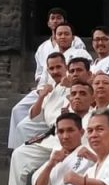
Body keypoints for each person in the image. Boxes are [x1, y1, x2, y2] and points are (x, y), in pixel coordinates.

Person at [0, 70, 93, 185]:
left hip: (78, 153)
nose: (77, 97)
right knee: (20, 155)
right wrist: (43, 95)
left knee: (49, 177)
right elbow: (37, 117)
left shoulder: (95, 117)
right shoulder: (59, 94)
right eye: (74, 94)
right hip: (54, 142)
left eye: (82, 94)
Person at [7, 8, 85, 149]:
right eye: (53, 18)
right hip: (47, 88)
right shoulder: (43, 48)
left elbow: (82, 67)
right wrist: (41, 90)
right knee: (18, 110)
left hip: (66, 88)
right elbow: (41, 73)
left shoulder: (77, 46)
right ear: (48, 23)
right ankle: (16, 147)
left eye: (59, 18)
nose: (56, 21)